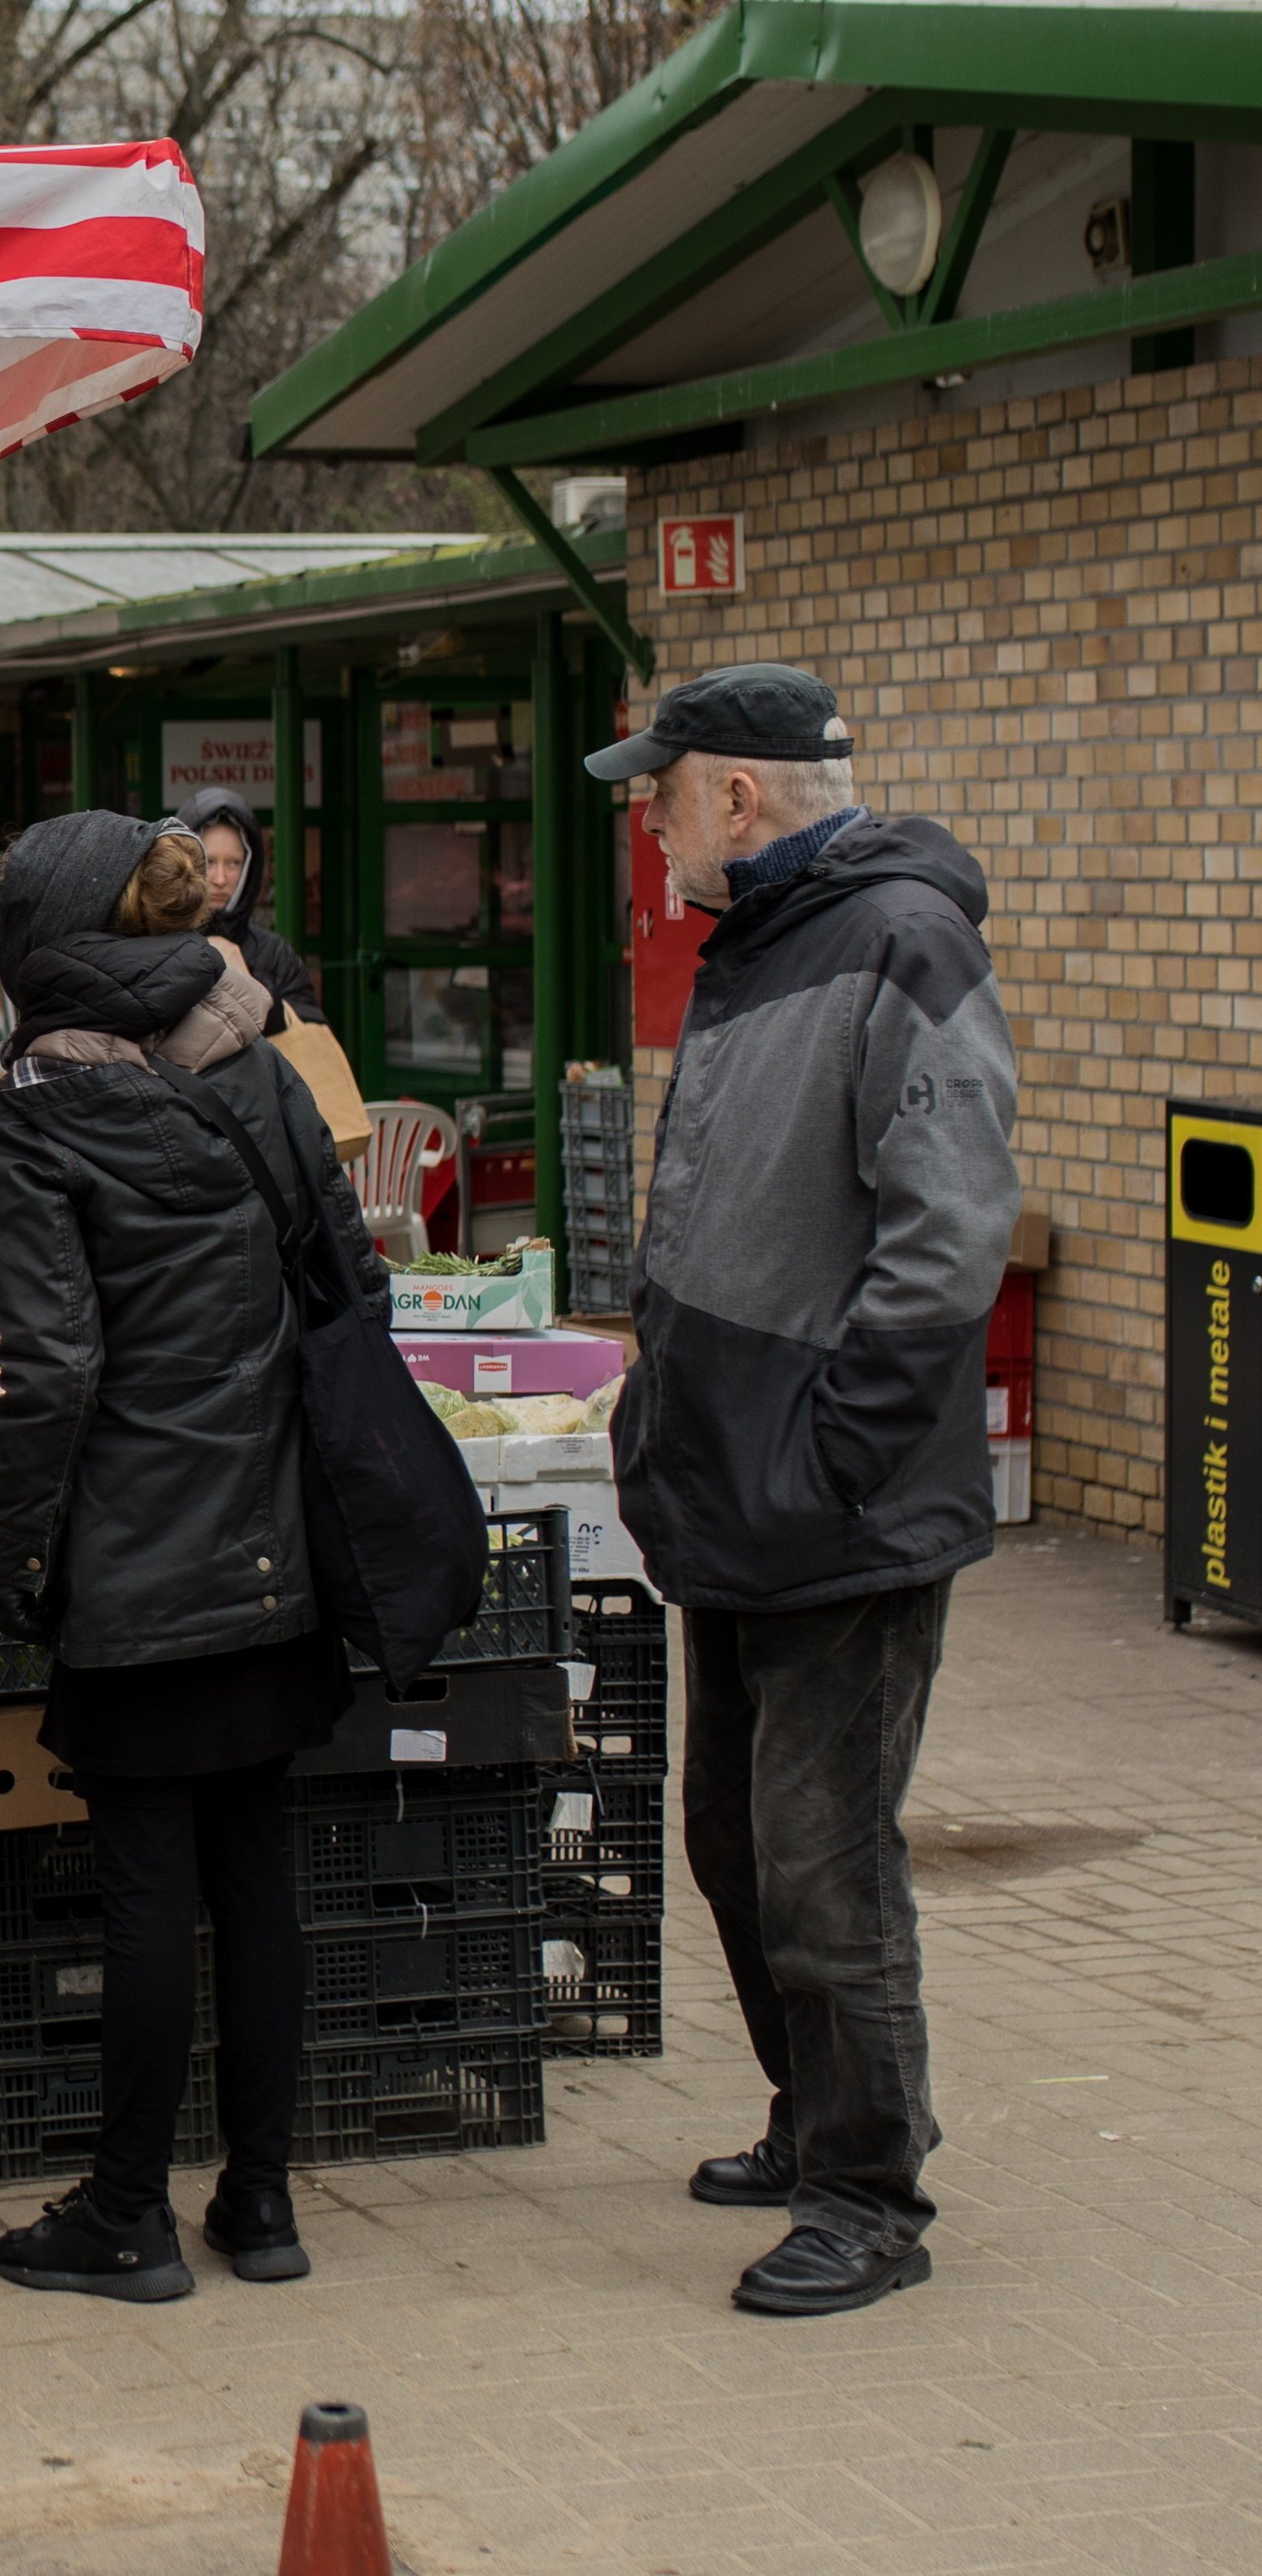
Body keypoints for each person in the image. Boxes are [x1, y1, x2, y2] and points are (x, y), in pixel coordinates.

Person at [583, 666, 1017, 2318]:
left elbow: (950, 1229)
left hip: (835, 1506)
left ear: (738, 798)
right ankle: (806, 2112)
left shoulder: (900, 939)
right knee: (729, 1846)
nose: (652, 820)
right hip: (735, 1494)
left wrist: (833, 1449)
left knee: (826, 1866)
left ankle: (868, 2193)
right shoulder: (761, 941)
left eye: (662, 790)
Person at [0, 811, 380, 2302]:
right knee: (255, 1871)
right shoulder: (261, 1069)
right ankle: (259, 2207)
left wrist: (12, 1555)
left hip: (137, 1556)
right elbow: (354, 1287)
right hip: (274, 1550)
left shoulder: (32, 1116)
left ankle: (128, 2212)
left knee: (148, 1886)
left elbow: (56, 1368)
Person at [172, 786, 326, 1023]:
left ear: (250, 868)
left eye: (233, 863)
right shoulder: (154, 943)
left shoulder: (275, 955)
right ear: (183, 862)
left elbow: (310, 1036)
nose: (220, 879)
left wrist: (252, 992)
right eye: (209, 861)